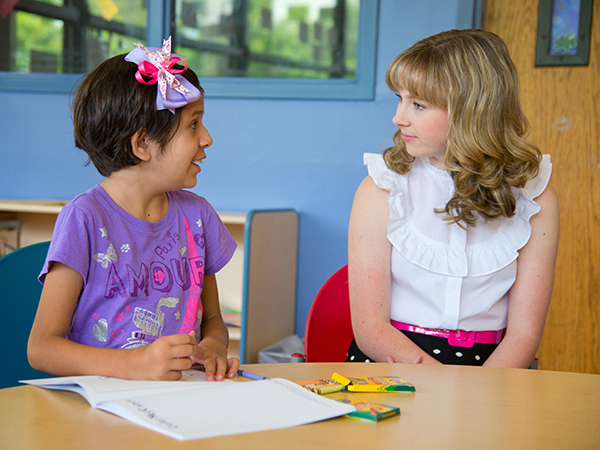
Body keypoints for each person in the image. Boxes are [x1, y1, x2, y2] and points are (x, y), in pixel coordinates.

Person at [28, 38, 240, 381]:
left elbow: (212, 320)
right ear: (142, 144)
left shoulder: (197, 217)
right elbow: (41, 347)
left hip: (177, 399)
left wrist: (214, 347)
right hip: (101, 410)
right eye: (193, 124)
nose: (207, 139)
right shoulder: (84, 219)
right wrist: (134, 366)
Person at [346, 29, 560, 368]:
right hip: (395, 363)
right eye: (399, 99)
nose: (398, 118)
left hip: (495, 370)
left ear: (471, 111)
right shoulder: (380, 189)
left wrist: (476, 396)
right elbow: (370, 328)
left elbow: (524, 333)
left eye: (418, 105)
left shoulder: (536, 199)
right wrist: (445, 390)